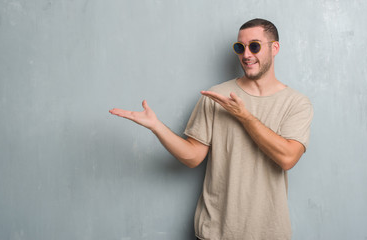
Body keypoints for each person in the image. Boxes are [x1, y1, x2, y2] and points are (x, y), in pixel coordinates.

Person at [109, 18, 313, 240]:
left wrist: (245, 117)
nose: (246, 54)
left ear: (275, 48)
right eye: (240, 47)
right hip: (215, 232)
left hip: (269, 233)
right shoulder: (216, 96)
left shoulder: (297, 103)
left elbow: (288, 158)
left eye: (254, 46)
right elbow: (193, 157)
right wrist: (157, 127)